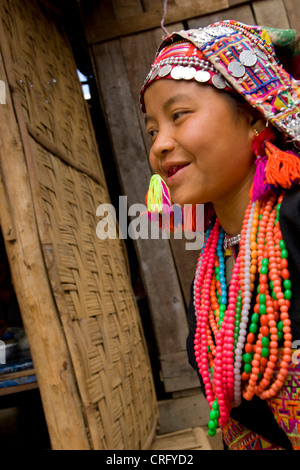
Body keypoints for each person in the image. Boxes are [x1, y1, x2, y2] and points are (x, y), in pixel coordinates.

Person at [140, 20, 300, 450]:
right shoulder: (213, 265)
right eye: (153, 129)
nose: (158, 145)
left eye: (178, 116)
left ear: (251, 114)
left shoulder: (296, 219)